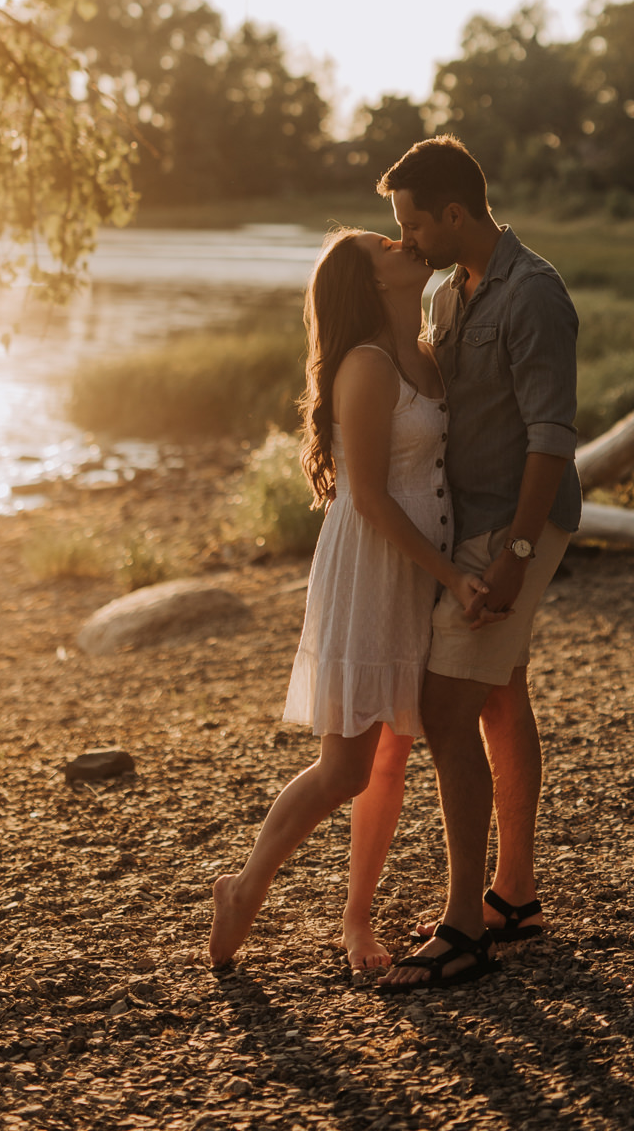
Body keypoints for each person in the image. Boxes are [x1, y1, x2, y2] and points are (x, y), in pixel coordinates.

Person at [206, 227, 494, 971]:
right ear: (372, 283)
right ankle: (243, 887)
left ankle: (355, 920)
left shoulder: (426, 352)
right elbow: (366, 496)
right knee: (345, 768)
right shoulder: (365, 365)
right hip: (372, 568)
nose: (405, 244)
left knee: (392, 755)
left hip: (419, 567)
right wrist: (450, 574)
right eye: (385, 247)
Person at [375, 136, 581, 991]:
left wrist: (516, 555)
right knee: (500, 693)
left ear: (454, 213)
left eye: (414, 225)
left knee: (445, 710)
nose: (407, 240)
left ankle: (464, 928)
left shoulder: (534, 293)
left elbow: (550, 438)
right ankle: (515, 895)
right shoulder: (445, 291)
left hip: (513, 526)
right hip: (472, 522)